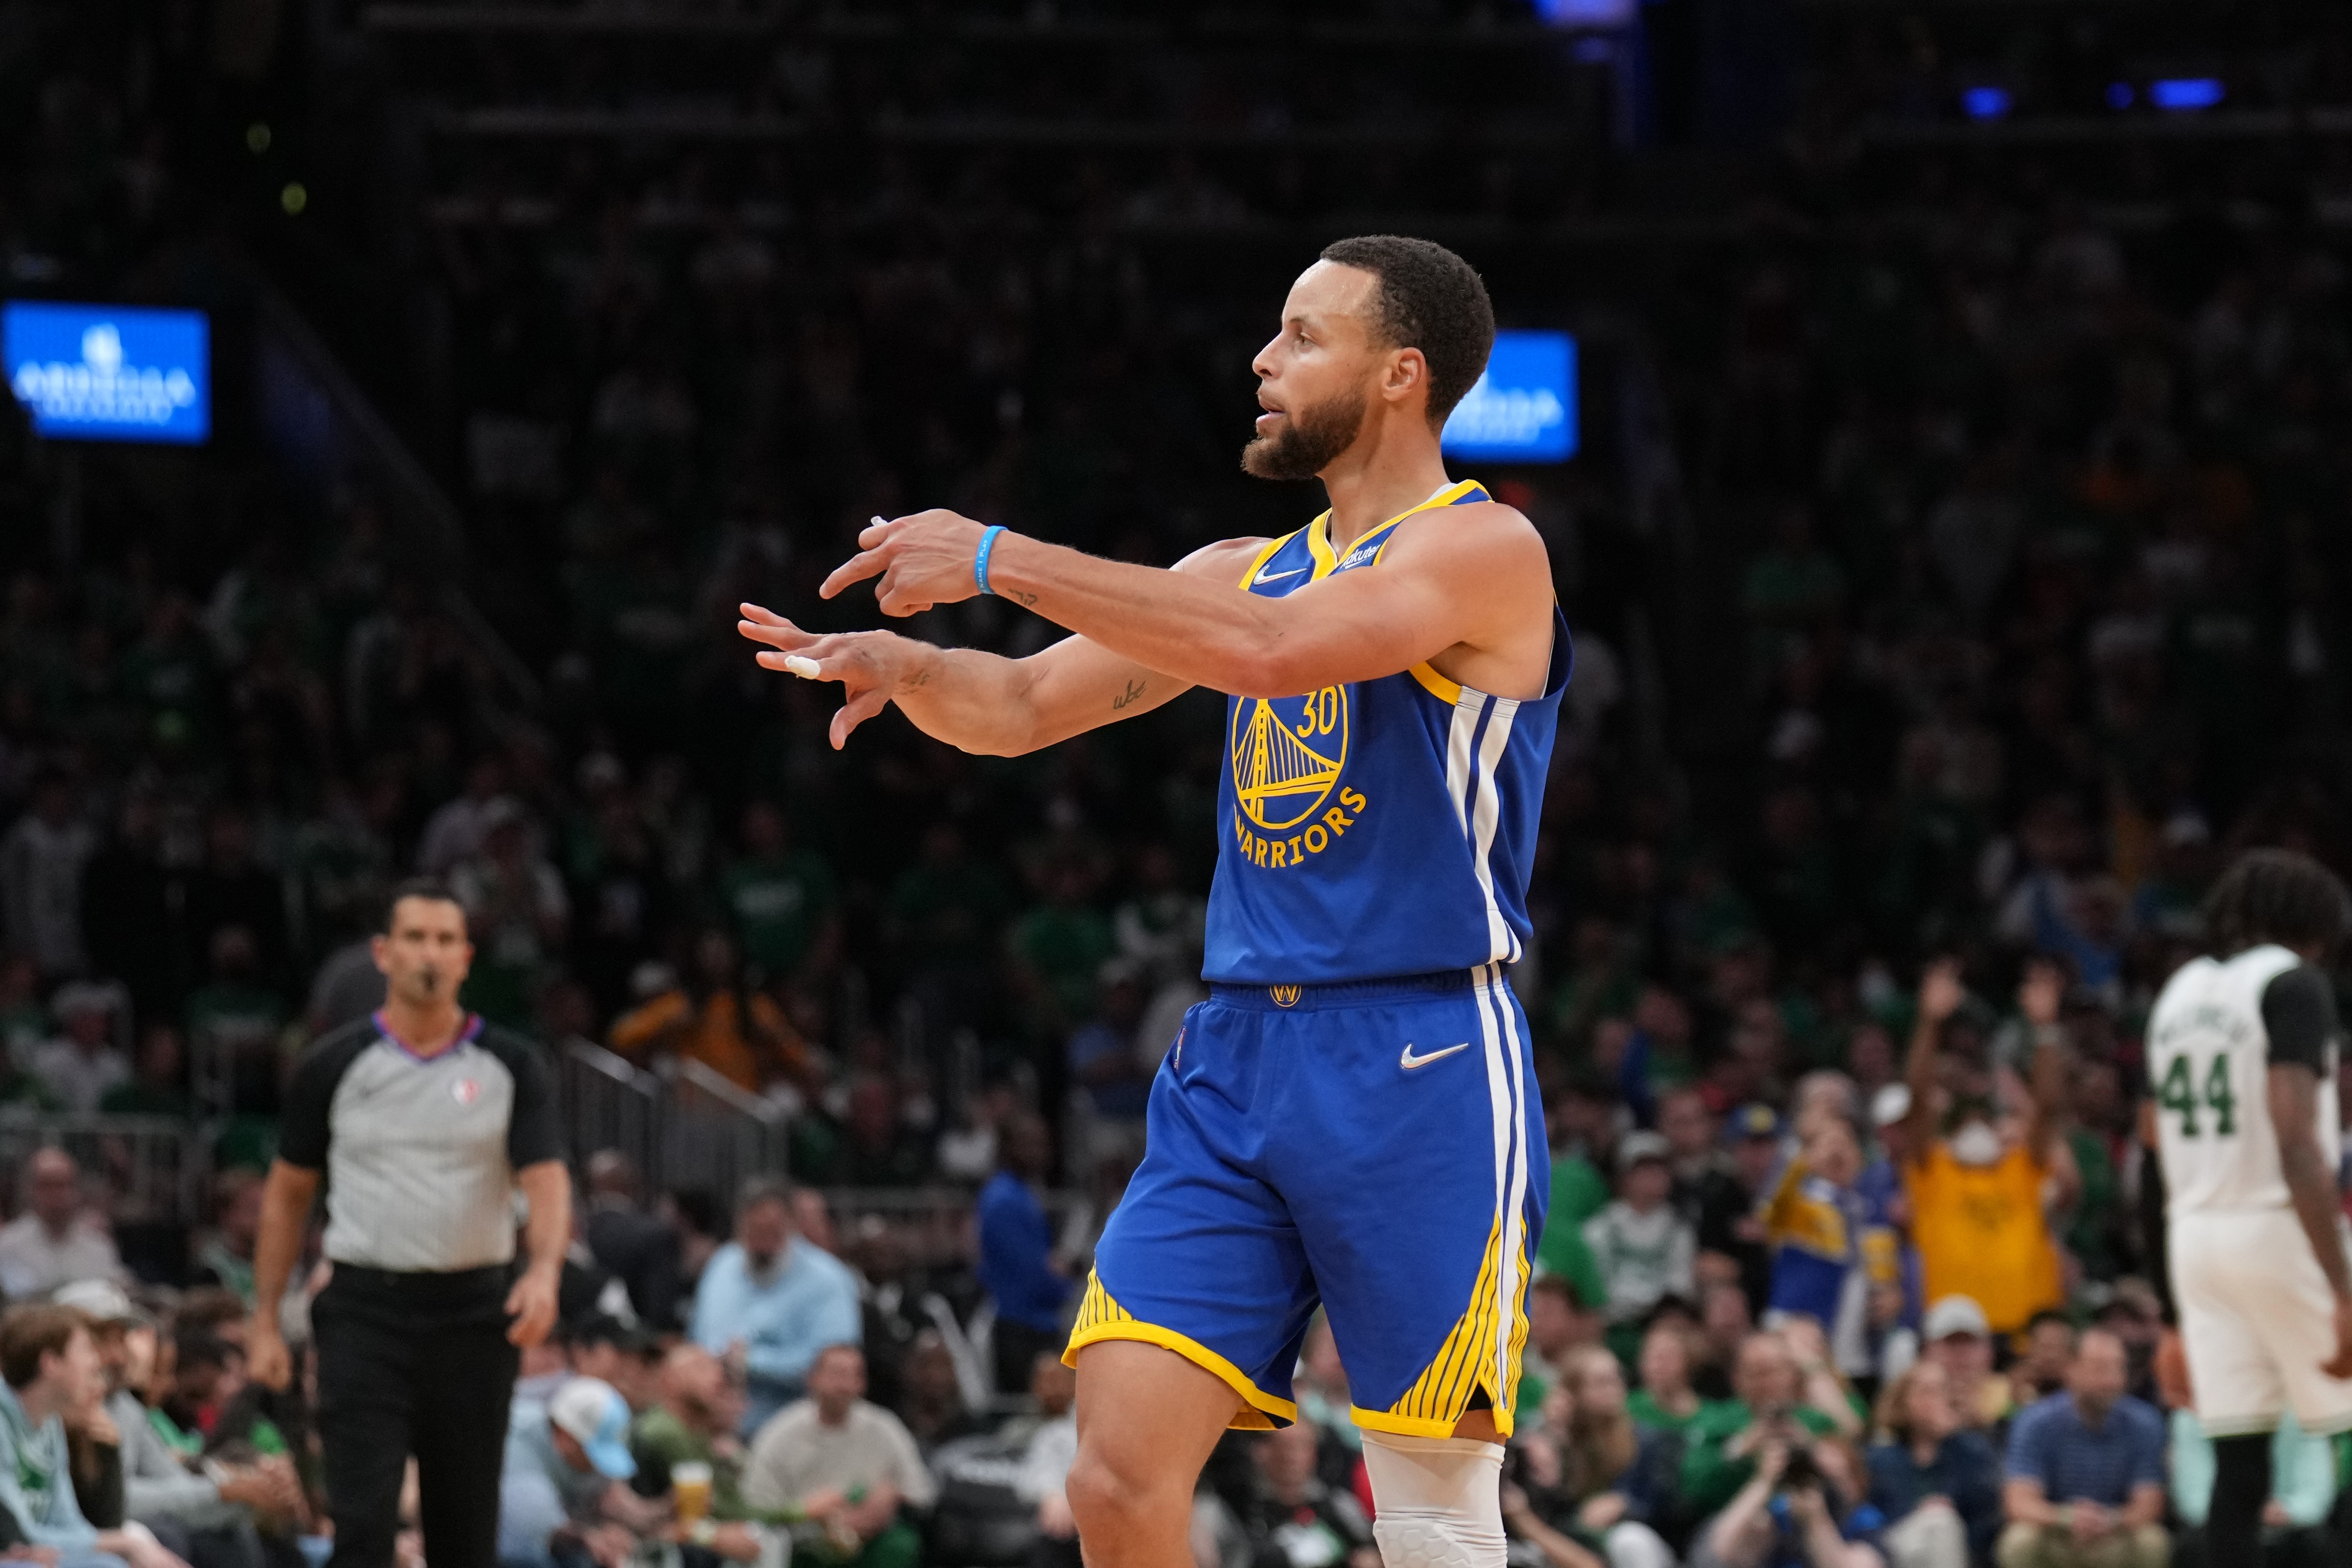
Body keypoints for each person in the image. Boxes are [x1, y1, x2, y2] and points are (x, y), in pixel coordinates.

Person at [741, 234, 1563, 1568]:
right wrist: (910, 666)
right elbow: (1014, 706)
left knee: (1427, 1512)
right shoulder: (1240, 566)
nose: (1265, 357)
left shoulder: (1484, 550)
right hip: (1238, 1054)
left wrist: (1001, 554)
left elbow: (1276, 655)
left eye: (1304, 334)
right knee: (1117, 1476)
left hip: (1418, 1053)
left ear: (1403, 374)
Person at [246, 879, 570, 1568]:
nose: (431, 952)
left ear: (466, 958)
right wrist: (265, 1316)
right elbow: (285, 1196)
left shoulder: (512, 1064)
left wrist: (543, 1272)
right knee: (362, 1526)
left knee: (464, 1534)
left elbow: (546, 1180)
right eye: (416, 938)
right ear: (384, 954)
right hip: (365, 1312)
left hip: (477, 1314)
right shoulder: (332, 1065)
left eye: (446, 939)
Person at [2148, 849, 2352, 1568]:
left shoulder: (2176, 996)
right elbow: (2297, 1140)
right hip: (2276, 1223)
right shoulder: (2295, 984)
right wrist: (2340, 1284)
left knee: (2239, 1464)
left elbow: (2150, 1153)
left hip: (2194, 1235)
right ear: (2314, 926)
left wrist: (2172, 1302)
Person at [54, 1281, 294, 1568]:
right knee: (165, 1535)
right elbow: (110, 1505)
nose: (119, 1355)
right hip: (78, 1533)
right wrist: (223, 1491)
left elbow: (171, 1481)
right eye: (104, 1340)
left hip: (111, 1528)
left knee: (231, 1534)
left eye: (121, 1339)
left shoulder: (125, 1408)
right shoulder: (61, 1408)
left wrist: (248, 1494)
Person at [1898, 960, 2071, 1341]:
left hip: (2024, 1335)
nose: (1976, 1130)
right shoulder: (1933, 1170)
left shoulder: (2022, 1167)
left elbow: (2049, 1106)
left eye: (1985, 1119)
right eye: (1963, 1122)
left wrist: (2045, 1030)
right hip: (1951, 1334)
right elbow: (1918, 1099)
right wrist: (1929, 1022)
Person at [0, 1303, 190, 1568]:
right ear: (51, 1363)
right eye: (86, 1350)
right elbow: (16, 1535)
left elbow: (68, 1522)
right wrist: (128, 1545)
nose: (96, 1363)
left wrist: (128, 1549)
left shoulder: (49, 1421)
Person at [689, 1178, 861, 1436]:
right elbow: (700, 1340)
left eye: (771, 1231)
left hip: (798, 1431)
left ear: (792, 1224)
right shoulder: (722, 1266)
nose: (761, 1243)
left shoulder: (829, 1280)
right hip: (718, 1427)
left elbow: (837, 1366)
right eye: (753, 1231)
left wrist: (751, 1362)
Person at [740, 1345, 933, 1568]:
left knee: (902, 1542)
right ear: (812, 1378)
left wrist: (891, 1495)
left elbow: (922, 1493)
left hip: (871, 1541)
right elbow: (754, 1505)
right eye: (837, 1374)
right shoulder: (780, 1434)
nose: (845, 1384)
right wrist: (807, 1512)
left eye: (855, 1375)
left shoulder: (884, 1427)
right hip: (804, 1542)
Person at [2158, 1334, 2334, 1568]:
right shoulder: (2191, 1419)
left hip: (2288, 1528)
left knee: (2318, 1543)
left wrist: (2287, 1511)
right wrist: (2241, 1515)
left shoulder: (2305, 1414)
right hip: (2221, 1525)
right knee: (2193, 1544)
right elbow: (2192, 1500)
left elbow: (2317, 1492)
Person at [1997, 1329, 2167, 1568]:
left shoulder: (2144, 1422)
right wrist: (2068, 1517)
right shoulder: (2035, 1422)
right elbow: (2018, 1502)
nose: (2112, 1381)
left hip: (2115, 1533)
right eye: (2100, 1369)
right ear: (2072, 1369)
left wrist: (2109, 1520)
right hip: (2058, 1532)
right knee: (2019, 1540)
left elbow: (2149, 1504)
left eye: (2118, 1369)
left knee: (2152, 1541)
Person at [498, 1377, 656, 1568]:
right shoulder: (528, 1485)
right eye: (594, 1458)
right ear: (565, 1436)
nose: (600, 1471)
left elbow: (624, 1508)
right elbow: (542, 1539)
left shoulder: (553, 1429)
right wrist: (588, 1540)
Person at [1867, 1360, 2002, 1568]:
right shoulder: (1882, 1457)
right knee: (1938, 1519)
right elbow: (1876, 1520)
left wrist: (1957, 1439)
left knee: (1943, 1520)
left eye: (1944, 1390)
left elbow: (1986, 1518)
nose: (1939, 1399)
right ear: (1904, 1402)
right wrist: (1921, 1511)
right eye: (1927, 1392)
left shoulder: (1971, 1450)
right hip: (1899, 1550)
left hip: (1961, 1551)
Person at [975, 1112, 1073, 1395]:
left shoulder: (1020, 1194)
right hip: (1020, 1330)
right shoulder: (1005, 1200)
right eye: (1029, 1144)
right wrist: (1063, 1282)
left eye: (1043, 1144)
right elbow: (1033, 1278)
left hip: (1032, 1325)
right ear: (1008, 1147)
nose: (1040, 1153)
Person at [1583, 1132, 1696, 1366]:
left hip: (1658, 1326)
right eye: (1644, 1170)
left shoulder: (1679, 1230)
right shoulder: (1600, 1228)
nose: (1653, 1177)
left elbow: (1680, 1287)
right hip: (1612, 1326)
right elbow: (1594, 1288)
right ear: (1625, 1177)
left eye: (1660, 1170)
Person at [580, 1152, 684, 1332]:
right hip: (634, 1348)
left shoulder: (575, 1232)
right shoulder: (654, 1235)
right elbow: (659, 1309)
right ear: (634, 1187)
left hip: (580, 1348)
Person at [0, 1149, 125, 1298]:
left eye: (65, 1185)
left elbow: (118, 1291)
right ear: (30, 1190)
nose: (58, 1194)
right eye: (48, 1185)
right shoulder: (7, 1246)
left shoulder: (99, 1246)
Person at [1921, 1297, 2016, 1440]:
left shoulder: (2013, 1397)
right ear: (1927, 1352)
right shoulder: (1910, 1404)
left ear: (1989, 1351)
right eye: (1951, 1343)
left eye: (1969, 1342)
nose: (1961, 1353)